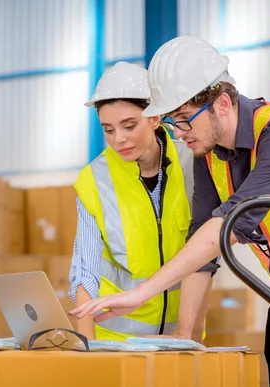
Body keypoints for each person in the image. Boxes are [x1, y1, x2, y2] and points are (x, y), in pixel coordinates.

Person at [70, 37, 270, 386]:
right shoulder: (210, 153)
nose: (178, 133)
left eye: (185, 120)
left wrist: (141, 292)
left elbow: (229, 227)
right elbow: (201, 243)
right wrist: (184, 334)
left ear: (222, 103)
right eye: (174, 122)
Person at [68, 61, 218, 342]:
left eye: (128, 125)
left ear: (154, 118)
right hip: (113, 342)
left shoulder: (195, 163)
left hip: (179, 338)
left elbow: (207, 254)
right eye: (108, 129)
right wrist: (85, 349)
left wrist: (191, 336)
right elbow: (85, 271)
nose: (118, 140)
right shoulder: (94, 180)